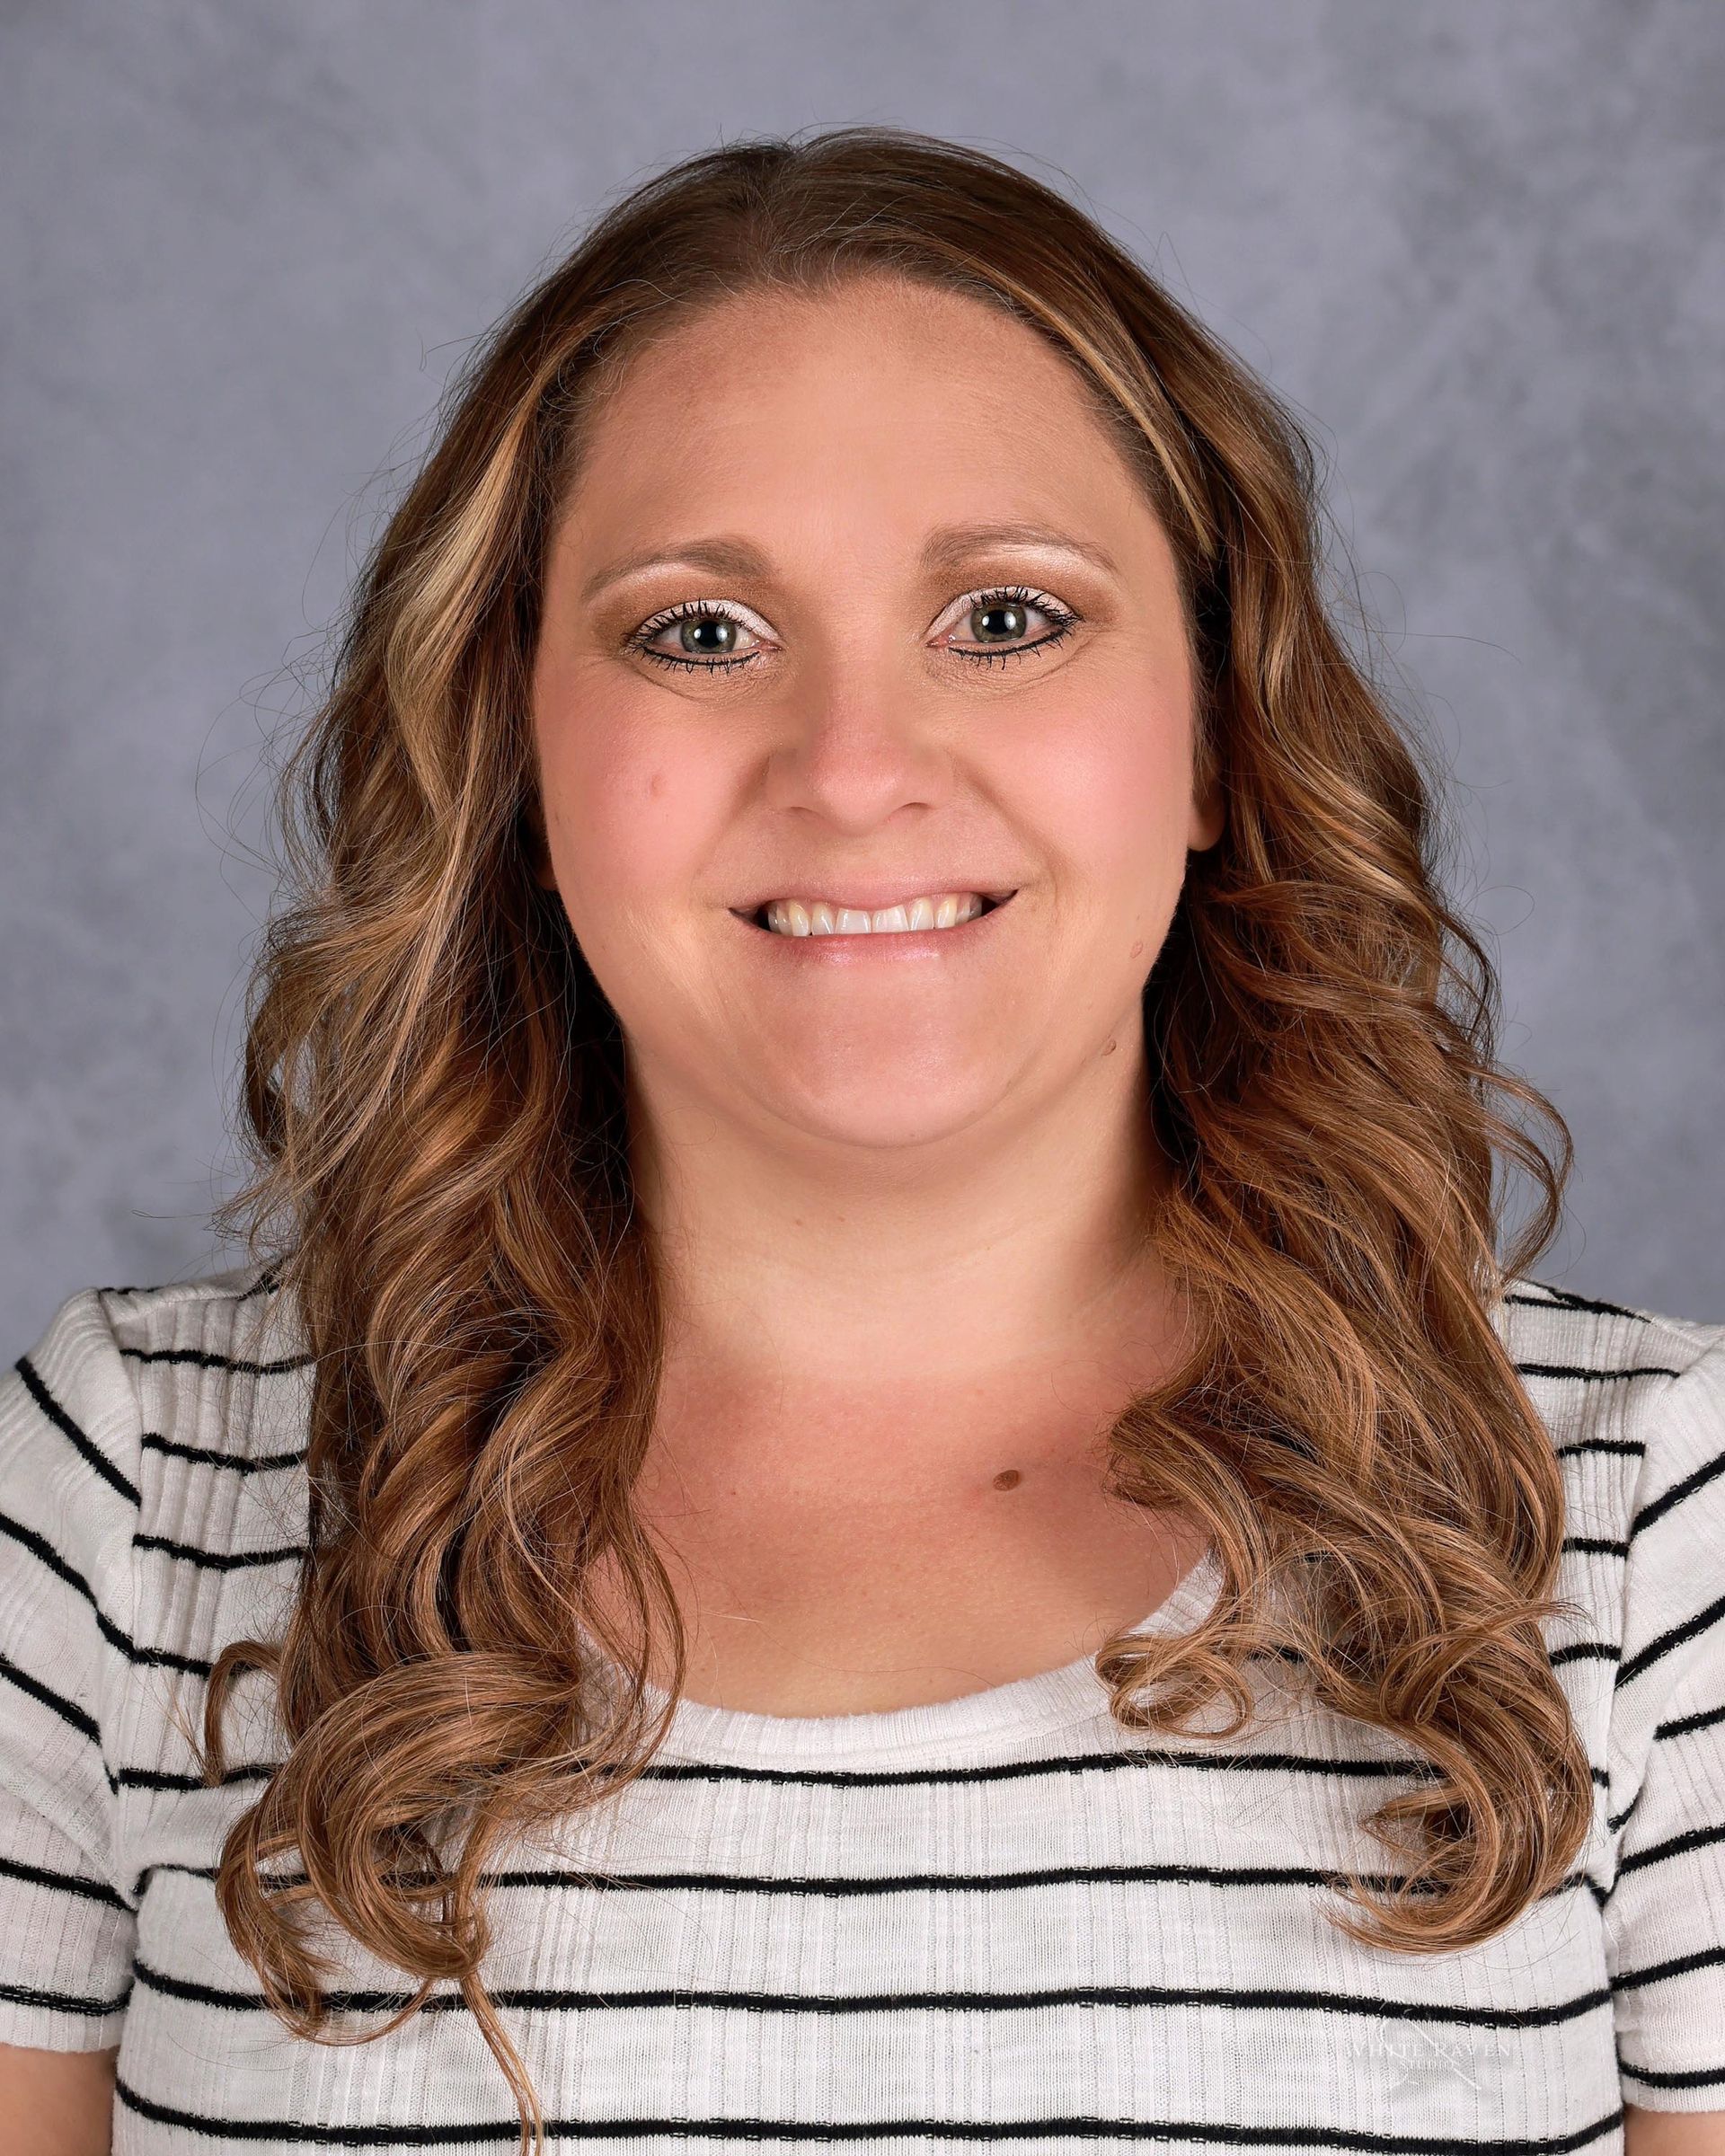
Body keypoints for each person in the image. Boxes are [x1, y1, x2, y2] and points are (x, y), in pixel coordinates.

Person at [0, 125, 1720, 2156]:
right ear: (516, 753)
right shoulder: (140, 1491)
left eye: (1006, 616)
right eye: (698, 634)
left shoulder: (1644, 1514)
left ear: (1217, 739)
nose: (855, 771)